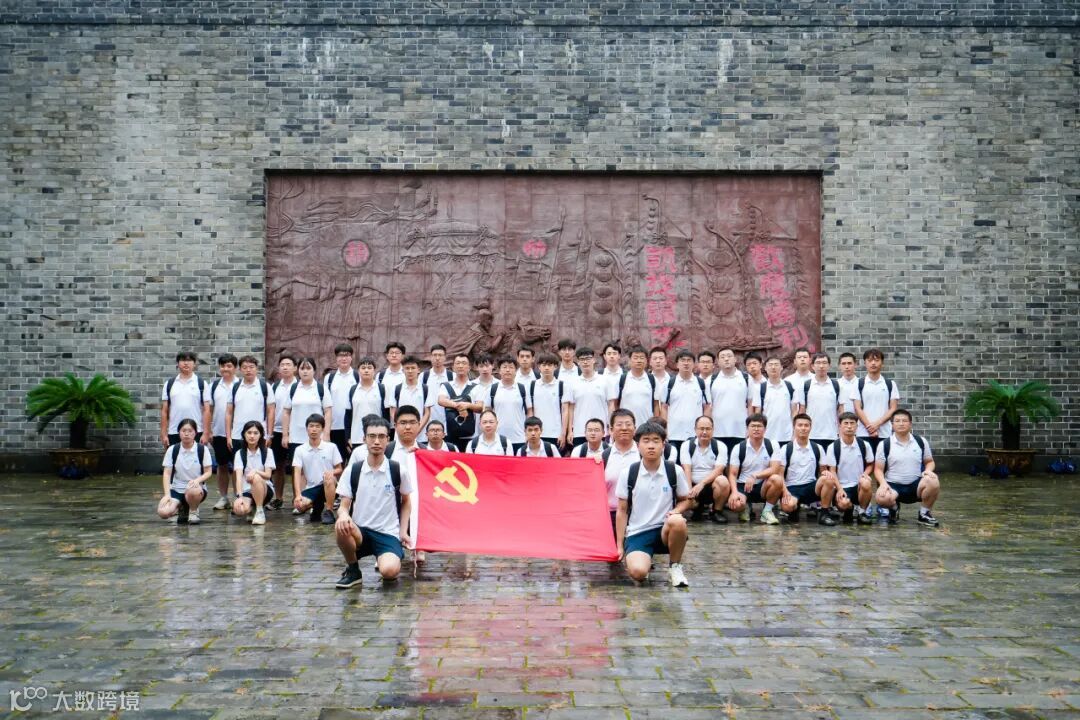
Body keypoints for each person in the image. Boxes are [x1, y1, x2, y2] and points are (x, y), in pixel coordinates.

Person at [333, 416, 414, 588]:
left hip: (388, 533)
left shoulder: (398, 470)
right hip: (359, 532)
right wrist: (343, 515)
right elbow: (343, 506)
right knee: (341, 526)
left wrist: (403, 531)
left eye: (381, 436)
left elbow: (407, 501)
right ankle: (353, 570)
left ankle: (387, 555)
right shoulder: (353, 470)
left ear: (388, 440)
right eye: (372, 436)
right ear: (364, 439)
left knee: (389, 572)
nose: (376, 441)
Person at [615, 420, 691, 587]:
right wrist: (619, 545)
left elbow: (686, 500)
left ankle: (675, 567)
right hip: (638, 532)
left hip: (665, 529)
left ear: (663, 444)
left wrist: (676, 510)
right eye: (646, 441)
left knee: (678, 521)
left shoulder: (674, 470)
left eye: (656, 441)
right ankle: (644, 560)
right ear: (638, 445)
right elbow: (622, 510)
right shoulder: (628, 473)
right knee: (638, 573)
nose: (651, 446)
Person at [873, 409, 940, 526]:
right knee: (881, 498)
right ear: (892, 425)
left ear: (910, 424)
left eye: (904, 421)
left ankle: (924, 513)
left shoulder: (920, 441)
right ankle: (894, 508)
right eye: (897, 421)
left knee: (933, 481)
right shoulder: (884, 444)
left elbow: (929, 462)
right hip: (893, 485)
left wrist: (928, 471)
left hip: (915, 485)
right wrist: (883, 484)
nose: (901, 423)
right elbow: (878, 469)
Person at [771, 414, 836, 525]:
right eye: (800, 425)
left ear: (810, 427)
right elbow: (780, 474)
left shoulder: (817, 448)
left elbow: (823, 471)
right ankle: (793, 510)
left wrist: (826, 473)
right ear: (794, 427)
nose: (803, 428)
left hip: (811, 487)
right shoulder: (786, 449)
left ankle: (824, 514)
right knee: (788, 506)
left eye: (806, 425)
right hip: (792, 487)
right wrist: (785, 491)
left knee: (828, 479)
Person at [725, 414, 783, 525]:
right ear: (747, 428)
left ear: (765, 429)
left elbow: (775, 468)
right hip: (743, 485)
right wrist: (734, 492)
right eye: (753, 426)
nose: (756, 429)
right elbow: (732, 474)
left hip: (763, 485)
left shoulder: (772, 445)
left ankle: (767, 511)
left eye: (759, 426)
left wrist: (755, 476)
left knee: (777, 479)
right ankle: (745, 507)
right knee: (736, 505)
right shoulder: (739, 448)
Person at [157, 418, 212, 525]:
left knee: (193, 491)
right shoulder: (173, 449)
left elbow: (208, 472)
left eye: (190, 431)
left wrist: (197, 480)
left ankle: (193, 511)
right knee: (163, 512)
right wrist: (167, 495)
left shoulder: (202, 449)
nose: (186, 434)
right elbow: (167, 473)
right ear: (179, 432)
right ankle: (180, 508)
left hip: (195, 489)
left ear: (195, 433)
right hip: (176, 489)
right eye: (183, 431)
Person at [291, 413, 343, 524]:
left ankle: (329, 511)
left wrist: (331, 472)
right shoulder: (300, 450)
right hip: (311, 487)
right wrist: (298, 495)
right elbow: (297, 473)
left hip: (329, 484)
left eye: (317, 426)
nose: (314, 429)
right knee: (300, 505)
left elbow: (339, 469)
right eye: (311, 426)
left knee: (329, 478)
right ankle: (317, 508)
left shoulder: (331, 447)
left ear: (322, 429)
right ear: (306, 429)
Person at [825, 412, 874, 524]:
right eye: (846, 423)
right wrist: (839, 489)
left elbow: (871, 464)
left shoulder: (864, 445)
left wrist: (866, 473)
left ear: (857, 426)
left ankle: (862, 512)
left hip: (858, 486)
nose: (849, 426)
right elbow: (832, 471)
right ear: (840, 425)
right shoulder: (833, 447)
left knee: (866, 483)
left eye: (852, 423)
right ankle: (849, 509)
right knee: (843, 504)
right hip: (842, 486)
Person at [280, 357, 333, 456]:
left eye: (308, 368)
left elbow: (328, 412)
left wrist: (326, 434)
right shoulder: (293, 388)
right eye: (302, 368)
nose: (305, 371)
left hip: (317, 438)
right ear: (298, 370)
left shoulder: (321, 389)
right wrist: (285, 435)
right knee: (296, 465)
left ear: (314, 370)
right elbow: (286, 412)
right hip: (295, 438)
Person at [660, 350, 710, 453]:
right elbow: (664, 408)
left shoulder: (701, 384)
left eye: (689, 360)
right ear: (677, 364)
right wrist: (665, 430)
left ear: (694, 364)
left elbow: (707, 407)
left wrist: (705, 429)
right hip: (674, 434)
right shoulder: (669, 384)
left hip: (695, 435)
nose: (686, 363)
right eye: (683, 360)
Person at [681, 415, 729, 523]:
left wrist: (702, 484)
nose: (704, 432)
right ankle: (695, 508)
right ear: (695, 429)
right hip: (692, 484)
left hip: (710, 485)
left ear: (713, 430)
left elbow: (719, 470)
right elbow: (687, 469)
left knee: (723, 481)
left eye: (708, 429)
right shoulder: (686, 446)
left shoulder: (720, 446)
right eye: (701, 428)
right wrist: (689, 491)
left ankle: (717, 511)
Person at [853, 347, 900, 454]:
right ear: (865, 363)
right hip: (863, 432)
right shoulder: (858, 383)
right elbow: (857, 408)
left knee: (883, 462)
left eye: (876, 360)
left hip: (884, 432)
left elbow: (893, 408)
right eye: (870, 360)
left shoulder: (890, 384)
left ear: (882, 363)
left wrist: (877, 424)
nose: (873, 363)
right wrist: (870, 427)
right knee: (865, 462)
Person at [160, 350, 210, 449]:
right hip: (174, 431)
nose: (186, 363)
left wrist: (206, 433)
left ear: (194, 364)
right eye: (183, 360)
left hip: (196, 431)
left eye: (189, 360)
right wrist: (164, 434)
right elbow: (164, 411)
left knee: (196, 458)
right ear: (178, 363)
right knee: (174, 458)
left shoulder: (201, 384)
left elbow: (207, 410)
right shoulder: (169, 384)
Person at [208, 353, 239, 511]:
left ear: (235, 368)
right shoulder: (213, 386)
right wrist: (208, 430)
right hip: (219, 432)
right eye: (222, 366)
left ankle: (238, 497)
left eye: (229, 366)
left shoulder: (241, 385)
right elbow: (209, 410)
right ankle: (224, 497)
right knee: (222, 465)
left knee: (238, 467)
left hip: (238, 434)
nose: (225, 369)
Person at [566, 347, 615, 446]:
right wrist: (570, 431)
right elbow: (571, 408)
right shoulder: (573, 382)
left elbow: (611, 405)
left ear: (594, 360)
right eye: (582, 359)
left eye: (588, 358)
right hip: (579, 431)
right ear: (578, 362)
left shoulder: (605, 380)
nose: (585, 362)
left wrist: (610, 427)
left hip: (601, 431)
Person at [709, 347, 753, 453]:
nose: (726, 359)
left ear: (735, 359)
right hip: (718, 431)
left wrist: (750, 427)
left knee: (739, 460)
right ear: (718, 362)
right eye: (723, 357)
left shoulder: (746, 378)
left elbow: (750, 404)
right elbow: (708, 407)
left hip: (740, 430)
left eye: (729, 356)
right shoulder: (711, 380)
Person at [231, 420, 275, 526]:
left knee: (256, 477)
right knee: (240, 509)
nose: (252, 436)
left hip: (265, 489)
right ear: (244, 434)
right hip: (247, 490)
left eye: (256, 433)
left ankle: (260, 511)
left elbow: (268, 475)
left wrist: (255, 471)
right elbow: (238, 477)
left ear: (260, 435)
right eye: (249, 433)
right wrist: (239, 497)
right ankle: (252, 508)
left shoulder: (268, 452)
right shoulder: (239, 453)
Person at [603, 409, 640, 533]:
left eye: (628, 424)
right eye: (619, 425)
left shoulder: (643, 454)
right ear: (611, 430)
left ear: (635, 428)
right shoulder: (603, 457)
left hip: (639, 516)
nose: (624, 428)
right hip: (609, 517)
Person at [796, 351, 843, 451]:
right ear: (812, 366)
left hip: (832, 434)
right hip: (810, 434)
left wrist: (841, 432)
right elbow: (802, 411)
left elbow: (840, 411)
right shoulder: (805, 386)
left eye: (824, 363)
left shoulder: (837, 385)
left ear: (829, 365)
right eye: (818, 363)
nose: (821, 366)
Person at [436, 353, 483, 451]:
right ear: (453, 367)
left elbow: (480, 407)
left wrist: (468, 405)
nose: (460, 366)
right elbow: (441, 400)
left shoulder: (477, 387)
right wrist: (458, 405)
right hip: (450, 434)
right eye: (458, 363)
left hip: (470, 435)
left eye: (464, 363)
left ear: (469, 367)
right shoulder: (446, 386)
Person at [269, 355, 297, 510]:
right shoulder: (274, 387)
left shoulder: (299, 386)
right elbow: (270, 410)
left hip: (296, 432)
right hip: (277, 431)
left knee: (296, 467)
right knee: (278, 466)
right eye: (282, 364)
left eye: (288, 364)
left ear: (295, 368)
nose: (285, 367)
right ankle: (278, 498)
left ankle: (297, 498)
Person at [610, 346, 661, 431]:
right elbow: (615, 403)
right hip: (625, 427)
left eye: (642, 358)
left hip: (647, 426)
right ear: (630, 360)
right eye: (635, 357)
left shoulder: (652, 379)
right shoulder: (621, 379)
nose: (639, 360)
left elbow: (656, 405)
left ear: (646, 361)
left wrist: (655, 425)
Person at [486, 355, 529, 452]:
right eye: (504, 367)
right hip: (497, 438)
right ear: (499, 370)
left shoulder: (522, 389)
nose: (508, 370)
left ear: (516, 371)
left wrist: (528, 432)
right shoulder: (492, 389)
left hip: (520, 438)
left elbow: (529, 411)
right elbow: (487, 410)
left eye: (511, 367)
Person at [346, 356, 389, 452]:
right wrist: (347, 437)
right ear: (358, 371)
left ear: (374, 371)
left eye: (369, 368)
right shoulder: (353, 389)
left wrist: (386, 435)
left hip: (377, 436)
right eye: (363, 368)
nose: (366, 370)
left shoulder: (381, 389)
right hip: (356, 437)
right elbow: (348, 415)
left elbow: (386, 415)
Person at [324, 343, 359, 462]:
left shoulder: (357, 376)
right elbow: (326, 404)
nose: (344, 358)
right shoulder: (329, 378)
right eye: (340, 355)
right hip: (334, 427)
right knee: (337, 462)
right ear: (336, 358)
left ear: (351, 358)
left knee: (354, 461)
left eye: (347, 355)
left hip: (353, 427)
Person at [751, 357, 798, 444]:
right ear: (765, 368)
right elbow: (757, 413)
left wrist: (794, 433)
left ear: (781, 367)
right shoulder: (760, 388)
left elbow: (794, 412)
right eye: (770, 365)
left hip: (787, 434)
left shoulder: (789, 387)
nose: (773, 367)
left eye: (776, 365)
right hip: (767, 435)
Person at [388, 356, 433, 443]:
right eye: (407, 368)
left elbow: (427, 413)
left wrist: (417, 429)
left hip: (421, 436)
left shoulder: (425, 389)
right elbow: (393, 411)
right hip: (401, 435)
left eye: (413, 368)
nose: (410, 371)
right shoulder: (396, 389)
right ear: (403, 370)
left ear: (418, 370)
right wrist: (401, 427)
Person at [528, 353, 569, 450]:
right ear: (539, 367)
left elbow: (565, 410)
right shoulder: (532, 385)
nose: (546, 368)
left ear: (555, 367)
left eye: (550, 365)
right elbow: (530, 411)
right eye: (544, 365)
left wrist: (563, 433)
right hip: (537, 434)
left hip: (556, 435)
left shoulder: (562, 385)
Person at [421, 344, 454, 433]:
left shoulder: (452, 376)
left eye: (440, 355)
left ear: (445, 357)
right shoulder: (423, 376)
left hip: (449, 423)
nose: (437, 358)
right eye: (434, 355)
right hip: (427, 423)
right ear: (430, 357)